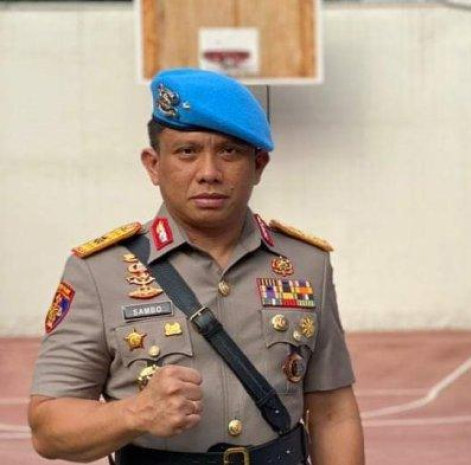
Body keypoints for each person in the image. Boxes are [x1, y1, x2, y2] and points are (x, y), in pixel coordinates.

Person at [28, 68, 364, 465]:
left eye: (229, 152)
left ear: (259, 165)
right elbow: (48, 428)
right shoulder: (99, 272)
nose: (209, 173)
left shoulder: (307, 262)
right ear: (153, 165)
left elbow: (332, 413)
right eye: (187, 152)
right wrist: (135, 413)